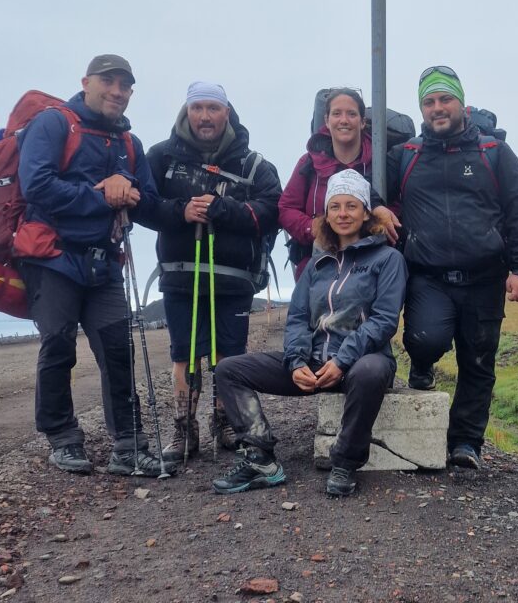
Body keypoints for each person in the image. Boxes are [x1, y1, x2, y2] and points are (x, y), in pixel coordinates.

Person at [212, 170, 407, 497]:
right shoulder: (316, 265)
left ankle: (345, 462)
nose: (343, 214)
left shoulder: (388, 259)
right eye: (335, 207)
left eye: (352, 206)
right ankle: (261, 457)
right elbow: (298, 318)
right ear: (326, 215)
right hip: (314, 364)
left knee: (372, 371)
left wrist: (342, 361)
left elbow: (384, 321)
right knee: (229, 369)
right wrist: (296, 361)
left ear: (365, 213)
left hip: (359, 364)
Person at [15, 54, 164, 476]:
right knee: (58, 346)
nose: (118, 91)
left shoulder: (130, 145)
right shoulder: (54, 124)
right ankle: (62, 438)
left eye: (126, 85)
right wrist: (104, 196)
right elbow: (37, 186)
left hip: (104, 264)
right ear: (86, 82)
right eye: (109, 82)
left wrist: (129, 187)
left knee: (118, 351)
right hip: (52, 258)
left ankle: (129, 445)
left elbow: (148, 203)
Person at [387, 65, 518, 469]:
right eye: (429, 101)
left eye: (445, 99)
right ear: (421, 108)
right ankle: (421, 363)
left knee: (477, 360)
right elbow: (371, 193)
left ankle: (465, 442)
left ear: (461, 102)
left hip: (486, 278)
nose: (437, 108)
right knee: (423, 339)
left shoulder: (494, 153)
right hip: (429, 276)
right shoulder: (406, 156)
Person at [143, 81, 282, 462]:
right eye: (198, 108)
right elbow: (143, 205)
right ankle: (183, 428)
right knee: (183, 354)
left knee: (230, 354)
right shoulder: (160, 158)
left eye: (213, 108)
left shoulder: (254, 164)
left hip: (234, 280)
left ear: (227, 112)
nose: (205, 116)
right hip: (180, 277)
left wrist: (223, 208)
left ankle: (226, 422)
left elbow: (272, 209)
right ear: (187, 111)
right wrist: (180, 211)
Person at [279, 87, 399, 278]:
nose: (344, 120)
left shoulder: (382, 164)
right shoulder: (309, 162)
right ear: (327, 120)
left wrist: (376, 224)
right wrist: (312, 228)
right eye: (337, 114)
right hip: (316, 270)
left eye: (351, 114)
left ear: (362, 122)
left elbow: (398, 205)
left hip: (370, 271)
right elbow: (286, 208)